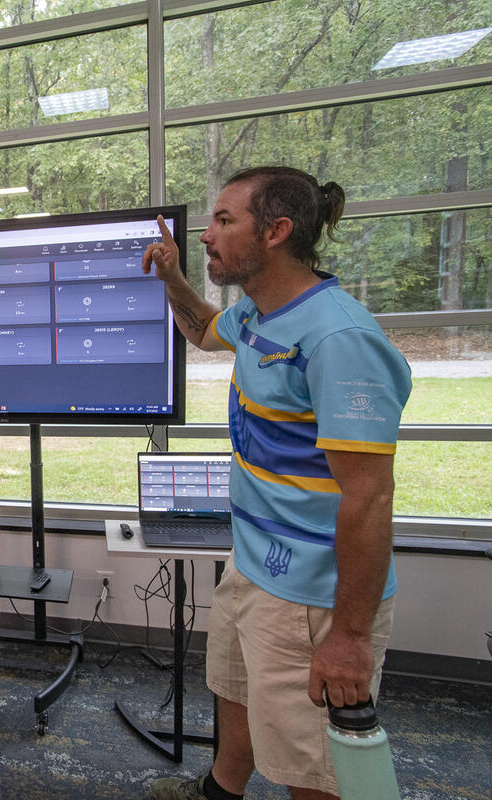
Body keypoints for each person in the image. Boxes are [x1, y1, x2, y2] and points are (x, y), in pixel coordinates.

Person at [142, 167, 411, 800]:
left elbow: (370, 498)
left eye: (224, 220)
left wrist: (349, 638)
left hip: (314, 598)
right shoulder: (258, 313)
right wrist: (175, 279)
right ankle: (220, 791)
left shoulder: (339, 338)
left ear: (276, 232)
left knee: (310, 765)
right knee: (235, 694)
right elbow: (204, 330)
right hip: (254, 565)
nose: (206, 235)